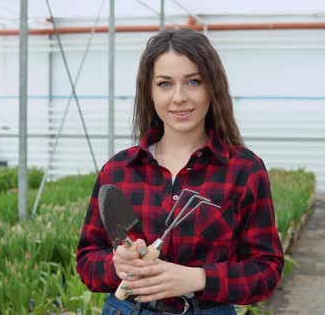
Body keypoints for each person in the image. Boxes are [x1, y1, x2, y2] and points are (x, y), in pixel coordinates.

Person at [76, 29, 284, 315]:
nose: (179, 97)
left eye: (193, 82)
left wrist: (197, 278)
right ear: (149, 92)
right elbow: (87, 261)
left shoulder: (244, 170)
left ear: (213, 87)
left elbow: (266, 271)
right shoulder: (118, 170)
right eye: (164, 84)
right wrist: (117, 264)